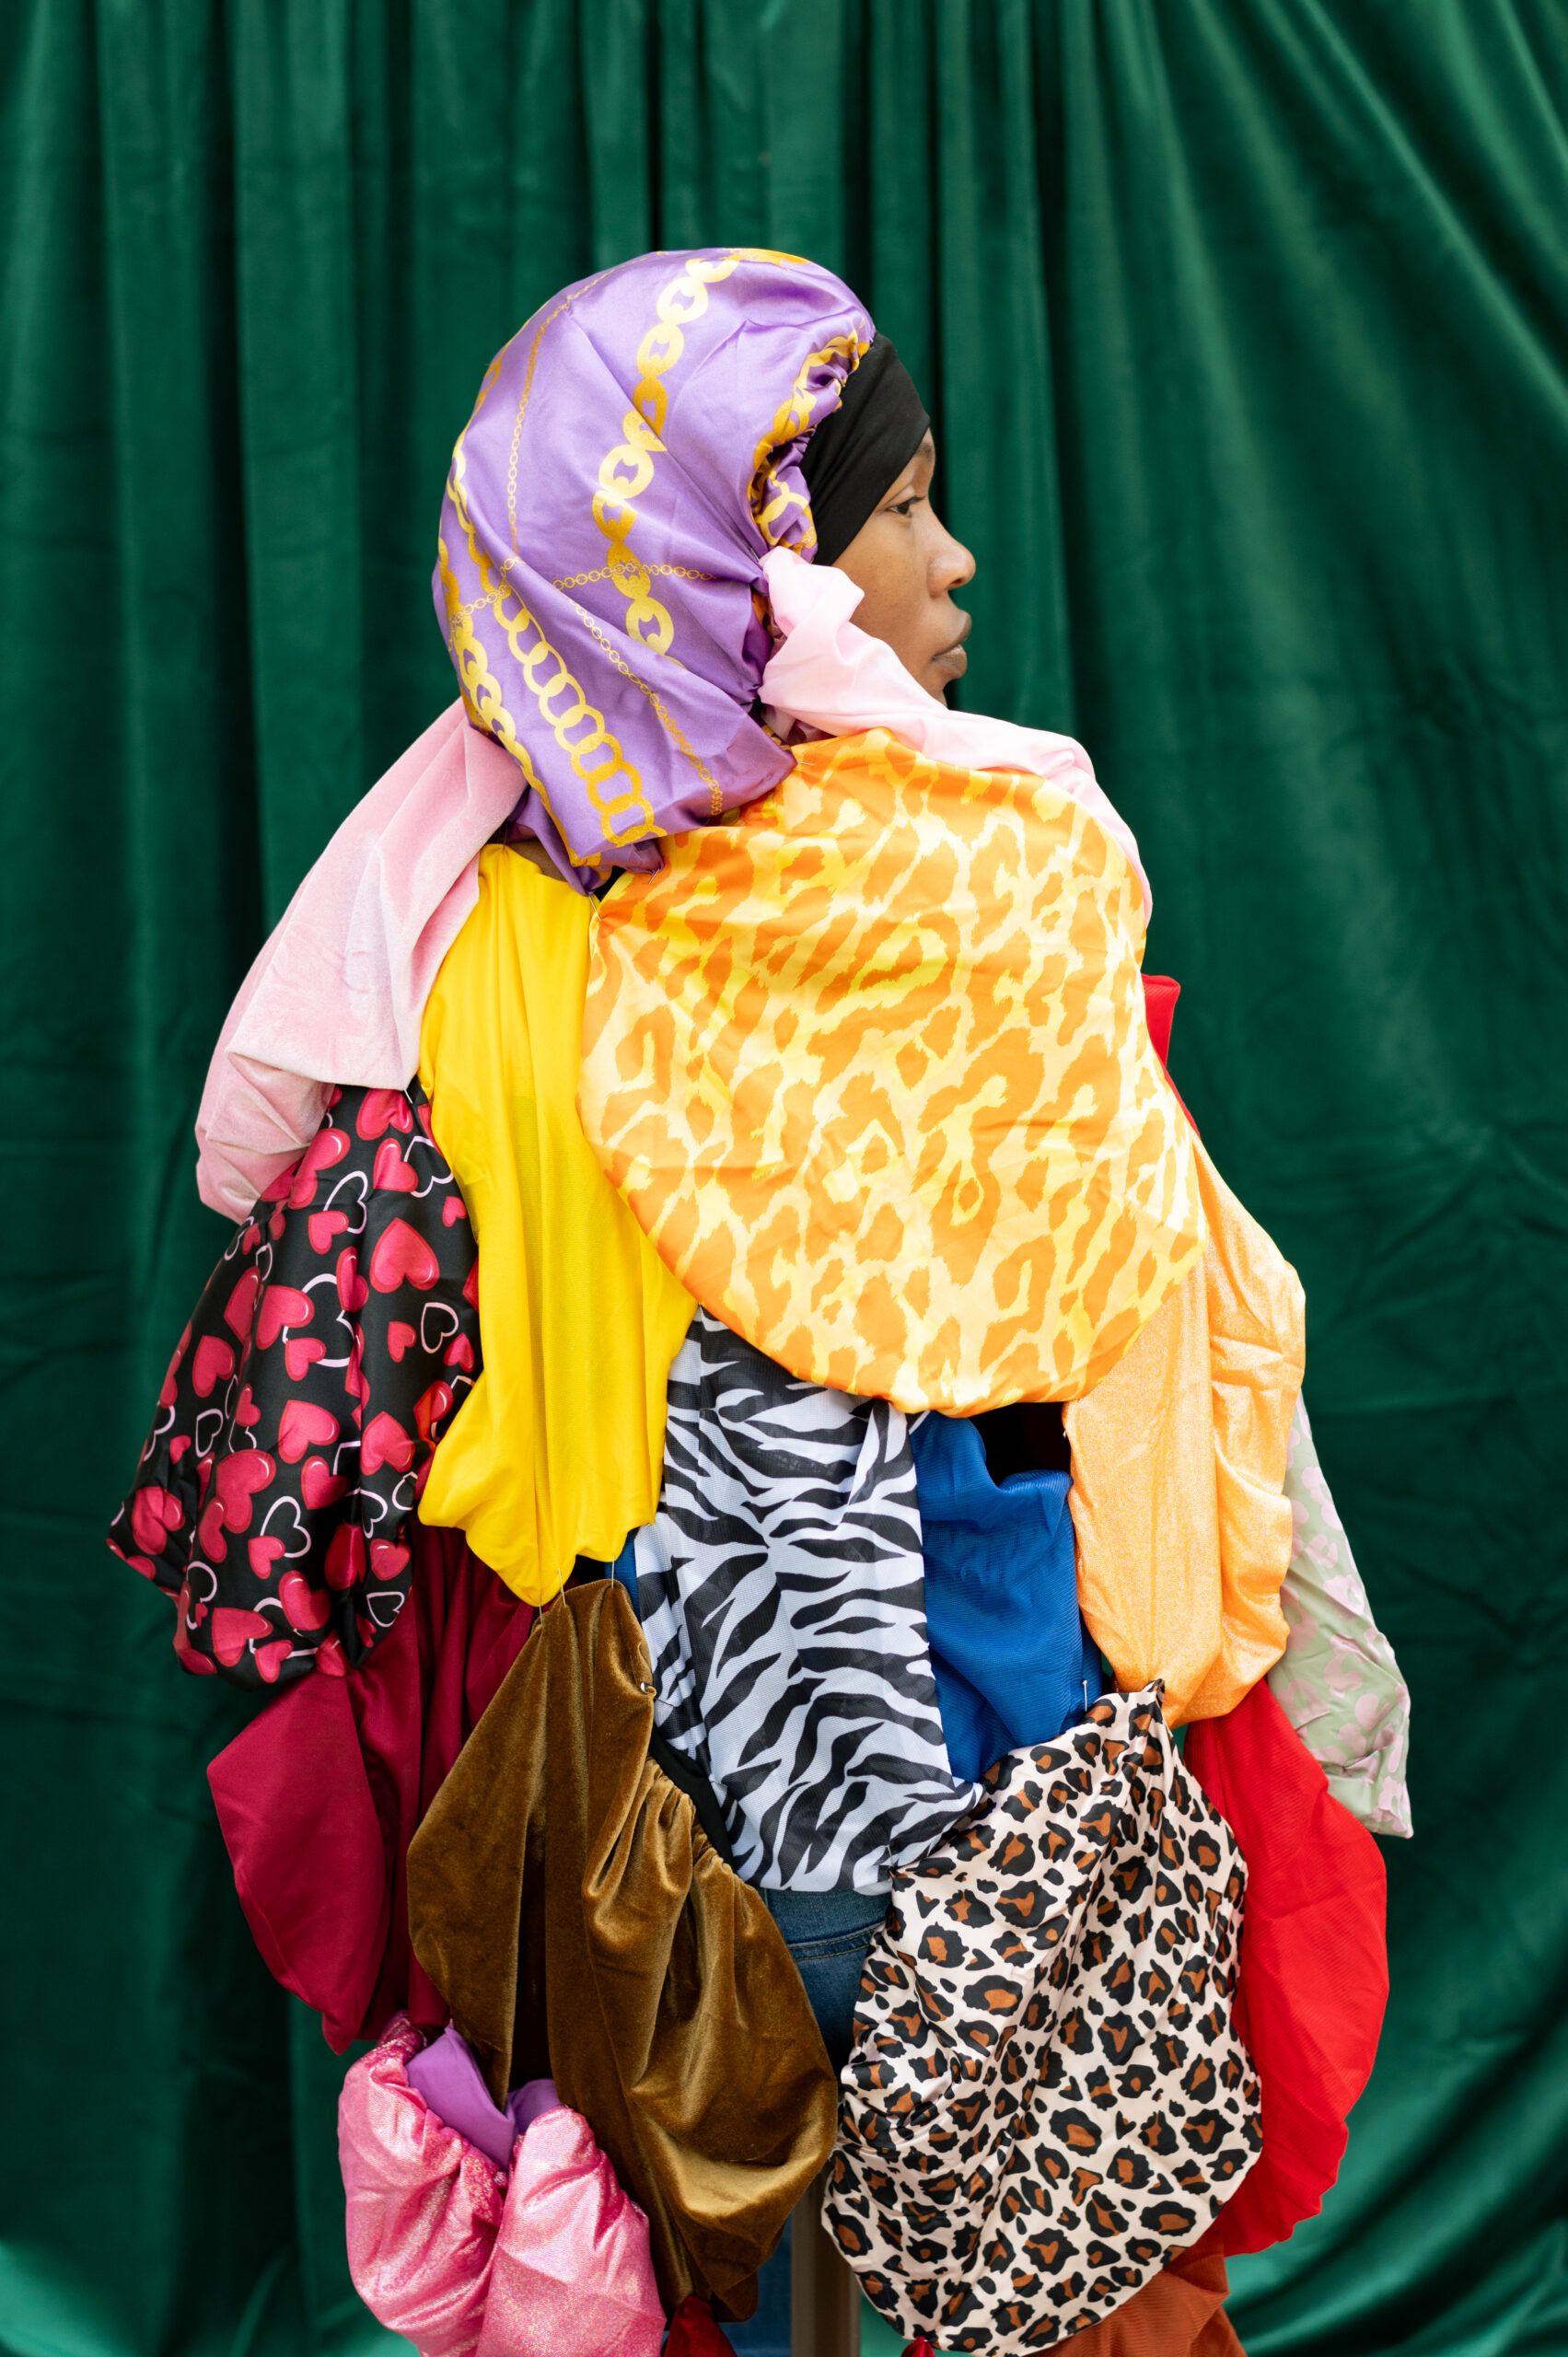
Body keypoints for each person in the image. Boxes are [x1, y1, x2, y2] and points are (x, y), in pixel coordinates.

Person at [113, 247, 1408, 2356]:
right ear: (770, 558)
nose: (957, 558)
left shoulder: (474, 915)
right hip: (925, 1776)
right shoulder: (972, 870)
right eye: (904, 510)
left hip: (665, 1800)